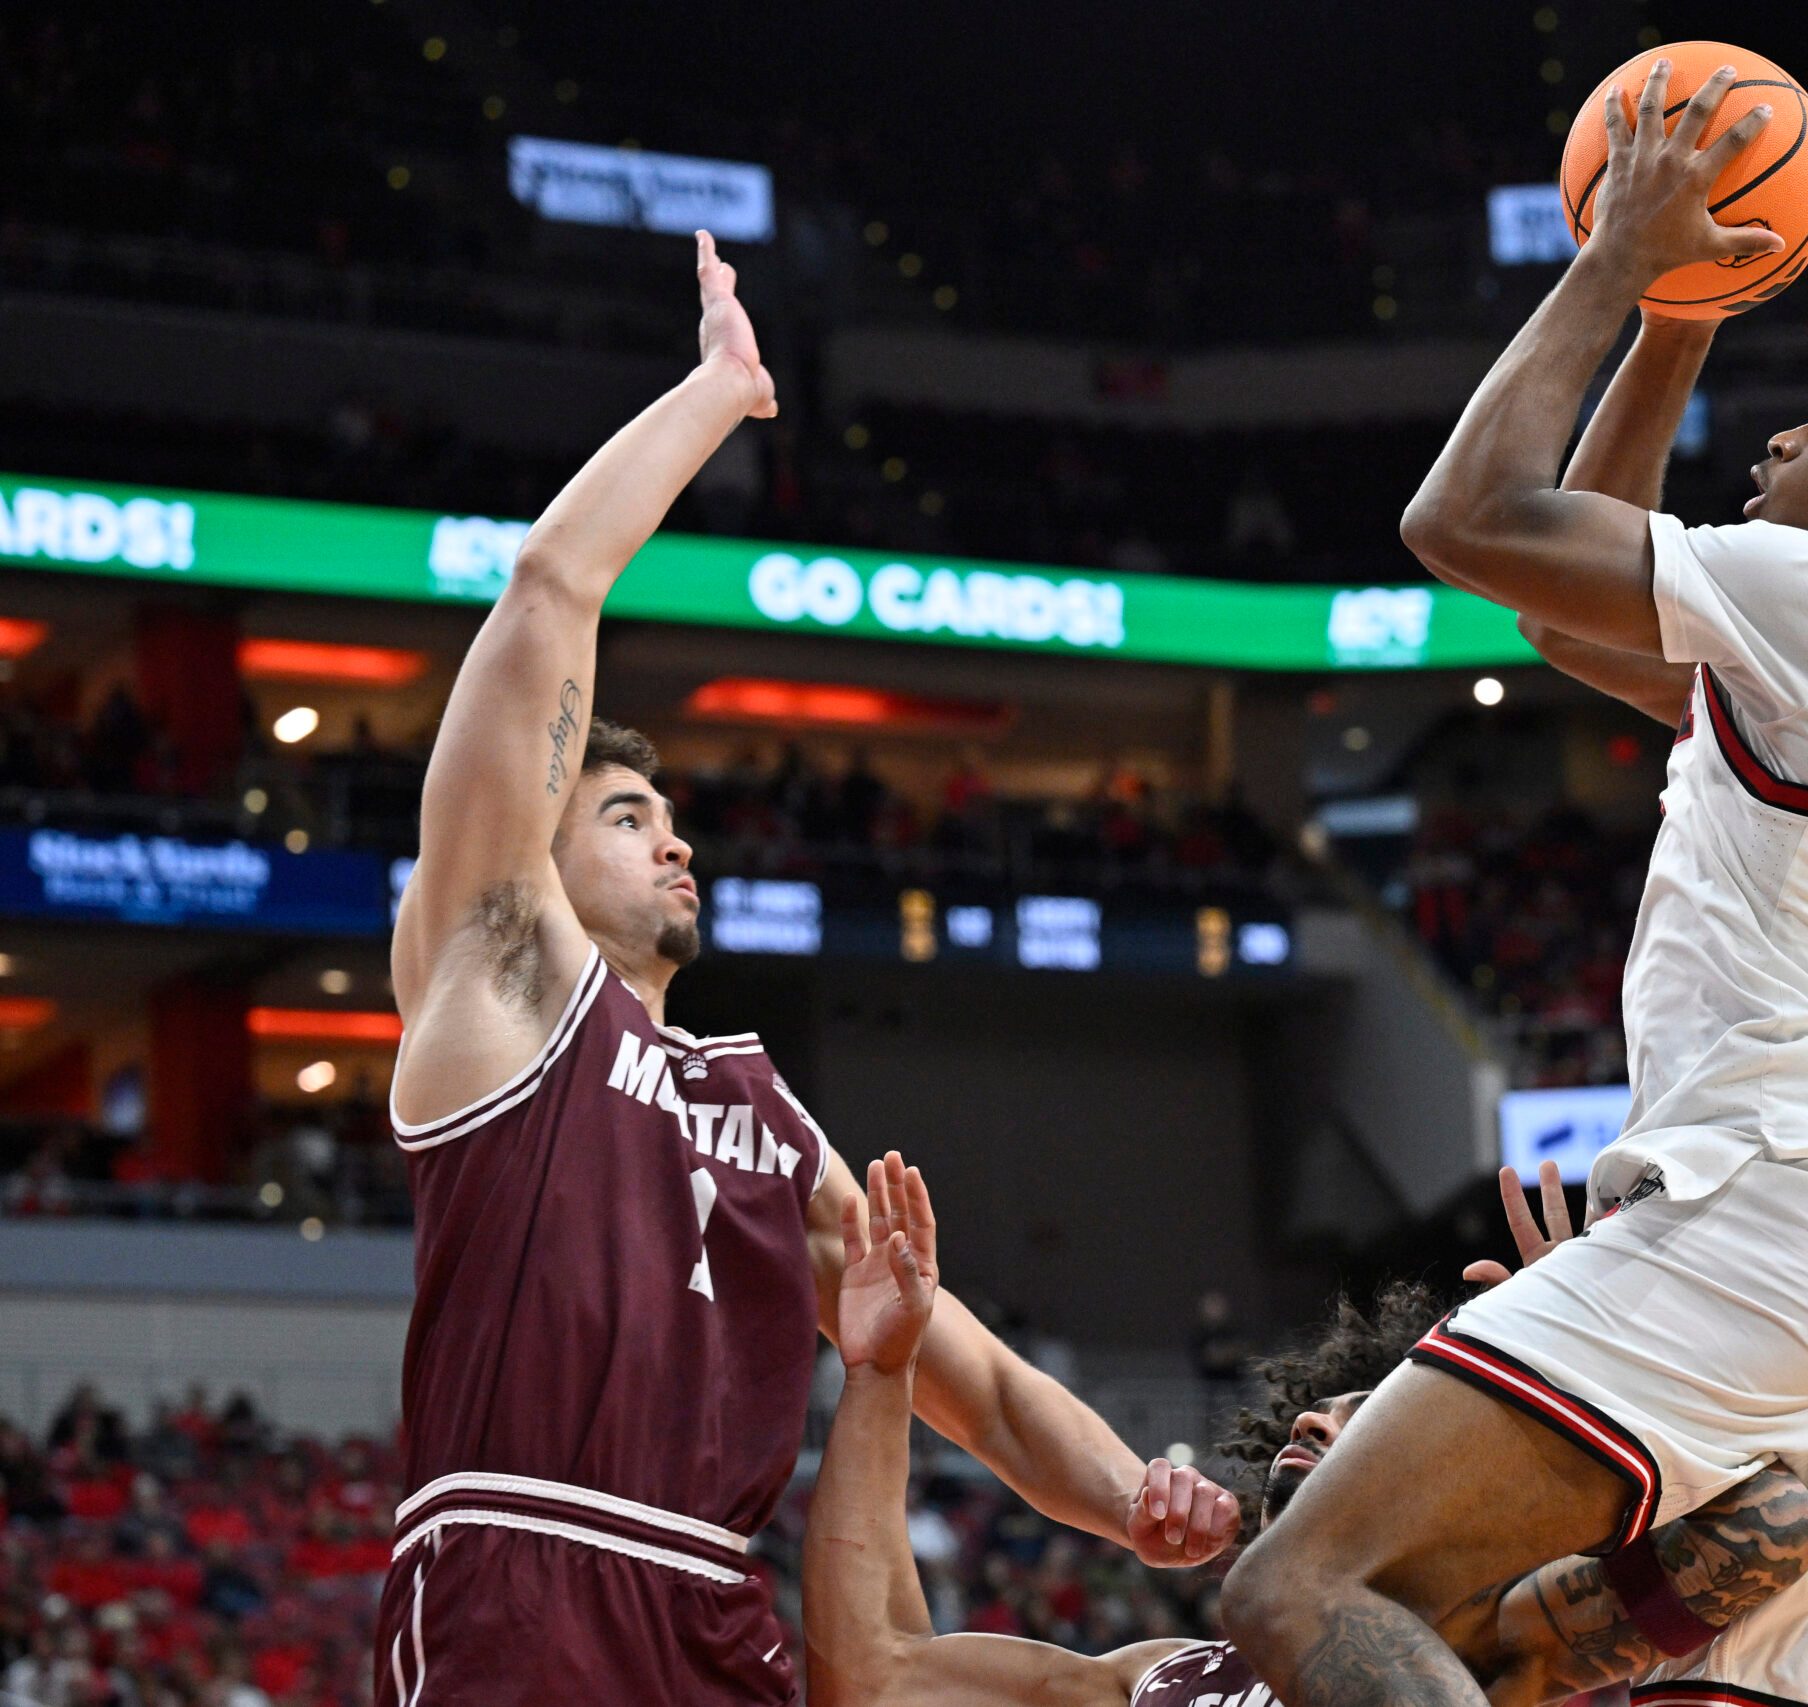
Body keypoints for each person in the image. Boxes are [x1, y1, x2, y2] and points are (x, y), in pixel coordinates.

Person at [1222, 60, 1808, 1707]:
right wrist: (1680, 314)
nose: (1786, 426)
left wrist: (1616, 259)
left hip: (1752, 1212)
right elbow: (1562, 611)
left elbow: (1466, 522)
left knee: (1299, 1584)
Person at [373, 236, 1236, 1706]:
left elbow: (981, 1381)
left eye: (677, 821)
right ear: (541, 847)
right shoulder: (500, 977)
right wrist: (720, 394)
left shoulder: (765, 1113)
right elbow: (544, 592)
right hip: (516, 1570)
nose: (675, 845)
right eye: (629, 816)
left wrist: (1136, 1489)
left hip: (720, 1612)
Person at [804, 1155, 1808, 1707]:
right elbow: (878, 1677)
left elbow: (1774, 1522)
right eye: (1327, 1403)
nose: (1313, 1415)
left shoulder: (1495, 1635)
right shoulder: (1163, 1678)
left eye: (1371, 1415)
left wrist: (1588, 1383)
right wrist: (879, 1374)